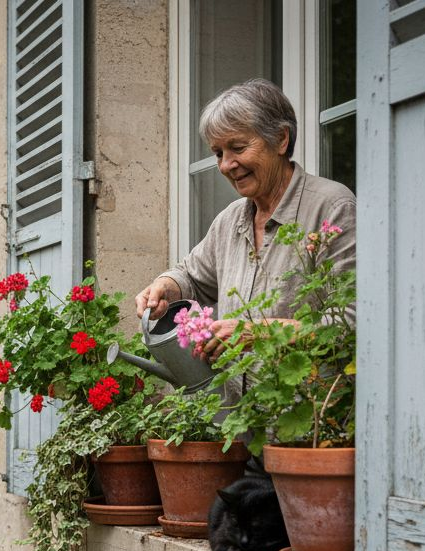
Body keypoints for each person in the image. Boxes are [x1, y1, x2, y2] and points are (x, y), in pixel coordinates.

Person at [135, 78, 356, 400]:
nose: (226, 165)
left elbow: (351, 323)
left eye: (238, 148)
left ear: (280, 140)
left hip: (313, 423)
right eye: (218, 153)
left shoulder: (331, 207)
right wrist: (165, 286)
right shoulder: (232, 219)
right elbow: (192, 275)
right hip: (241, 423)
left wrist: (257, 332)